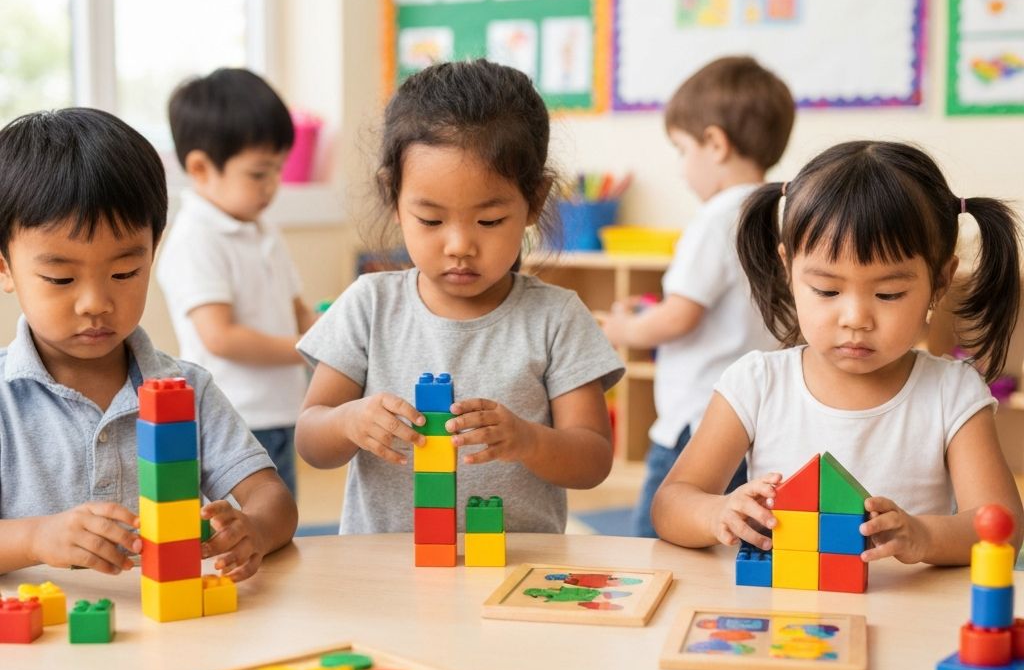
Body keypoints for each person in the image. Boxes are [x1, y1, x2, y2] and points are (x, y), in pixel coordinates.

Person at [652, 140, 1024, 565]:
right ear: (788, 269)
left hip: (908, 605)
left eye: (889, 294)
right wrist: (716, 512)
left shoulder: (951, 392)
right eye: (827, 290)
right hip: (785, 603)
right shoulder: (756, 383)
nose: (855, 318)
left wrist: (924, 536)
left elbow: (1004, 526)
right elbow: (670, 505)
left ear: (940, 282)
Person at [296, 59, 623, 535]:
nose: (459, 246)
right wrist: (349, 422)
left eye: (489, 221)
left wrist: (528, 440)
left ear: (535, 200)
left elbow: (592, 460)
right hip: (383, 563)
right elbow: (310, 439)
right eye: (431, 220)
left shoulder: (556, 318)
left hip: (514, 564)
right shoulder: (369, 305)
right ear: (392, 196)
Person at [0, 108, 297, 579]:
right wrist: (35, 538)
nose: (95, 303)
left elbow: (271, 497)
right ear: (5, 267)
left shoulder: (187, 389)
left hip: (170, 620)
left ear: (152, 254)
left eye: (124, 273)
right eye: (60, 279)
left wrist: (254, 529)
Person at [602, 56, 793, 537]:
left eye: (682, 150)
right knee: (736, 533)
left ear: (715, 144)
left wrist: (625, 328)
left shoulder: (716, 218)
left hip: (697, 421)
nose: (682, 170)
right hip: (755, 418)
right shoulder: (778, 213)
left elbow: (679, 318)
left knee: (660, 536)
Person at [157, 68, 316, 496]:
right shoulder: (195, 239)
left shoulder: (264, 230)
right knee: (243, 522)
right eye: (259, 174)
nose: (272, 186)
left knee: (280, 515)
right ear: (201, 168)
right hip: (231, 417)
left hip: (280, 410)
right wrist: (306, 349)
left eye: (278, 171)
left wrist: (330, 334)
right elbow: (220, 337)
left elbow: (297, 309)